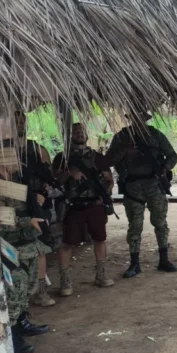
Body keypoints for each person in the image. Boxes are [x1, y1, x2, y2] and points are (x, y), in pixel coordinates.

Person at [0, 111, 52, 353]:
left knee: (25, 284)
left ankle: (21, 323)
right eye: (14, 158)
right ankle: (11, 336)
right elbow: (0, 220)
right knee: (14, 287)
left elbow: (23, 204)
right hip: (6, 245)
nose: (19, 161)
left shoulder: (14, 181)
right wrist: (28, 220)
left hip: (23, 243)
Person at [105, 112, 177, 277]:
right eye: (136, 117)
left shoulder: (155, 135)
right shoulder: (122, 137)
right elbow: (108, 161)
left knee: (160, 223)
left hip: (154, 184)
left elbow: (172, 155)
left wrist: (165, 168)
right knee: (135, 226)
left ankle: (164, 259)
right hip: (132, 186)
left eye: (141, 118)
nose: (139, 121)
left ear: (145, 119)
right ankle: (134, 263)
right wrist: (124, 151)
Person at [52, 123, 115, 295]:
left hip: (95, 204)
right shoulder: (62, 158)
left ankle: (101, 274)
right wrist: (69, 173)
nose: (79, 134)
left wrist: (105, 194)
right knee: (67, 242)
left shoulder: (97, 157)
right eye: (75, 131)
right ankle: (65, 281)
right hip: (73, 206)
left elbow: (109, 180)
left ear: (87, 134)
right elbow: (54, 181)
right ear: (70, 135)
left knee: (100, 239)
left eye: (82, 131)